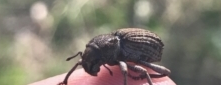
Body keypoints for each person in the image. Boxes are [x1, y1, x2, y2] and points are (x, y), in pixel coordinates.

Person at [29, 65, 176, 85]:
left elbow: (124, 70)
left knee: (145, 72)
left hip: (146, 50)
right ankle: (65, 81)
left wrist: (137, 77)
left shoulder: (118, 50)